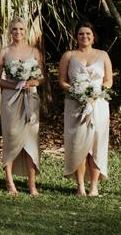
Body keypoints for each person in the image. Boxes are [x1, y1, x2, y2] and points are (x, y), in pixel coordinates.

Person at [58, 22, 113, 196]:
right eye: (81, 34)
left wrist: (95, 93)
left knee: (97, 143)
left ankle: (94, 186)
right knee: (78, 143)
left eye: (88, 34)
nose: (84, 37)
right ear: (76, 37)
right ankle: (80, 185)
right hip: (75, 104)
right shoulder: (69, 55)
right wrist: (76, 91)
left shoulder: (103, 55)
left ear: (93, 36)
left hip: (98, 104)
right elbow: (62, 81)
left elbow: (108, 81)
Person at [0, 17, 44, 196]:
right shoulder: (3, 52)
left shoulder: (34, 51)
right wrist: (15, 85)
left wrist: (30, 83)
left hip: (30, 97)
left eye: (21, 29)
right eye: (15, 29)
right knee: (11, 136)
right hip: (10, 99)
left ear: (26, 31)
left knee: (31, 139)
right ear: (10, 31)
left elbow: (42, 77)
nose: (18, 33)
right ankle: (9, 183)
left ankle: (32, 184)